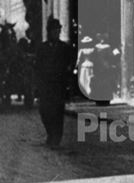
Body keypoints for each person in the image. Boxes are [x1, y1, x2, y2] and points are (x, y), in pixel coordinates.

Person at [35, 17, 72, 148]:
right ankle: (50, 133)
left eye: (58, 31)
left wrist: (67, 85)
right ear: (49, 32)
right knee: (44, 111)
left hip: (58, 86)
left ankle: (56, 138)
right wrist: (38, 85)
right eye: (54, 31)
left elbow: (69, 66)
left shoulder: (64, 48)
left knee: (58, 112)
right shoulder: (42, 48)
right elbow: (37, 67)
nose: (56, 33)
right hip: (45, 86)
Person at [75, 35, 95, 100]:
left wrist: (76, 67)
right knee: (89, 80)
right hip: (91, 65)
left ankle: (87, 93)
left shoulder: (82, 50)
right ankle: (89, 93)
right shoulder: (93, 50)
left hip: (84, 66)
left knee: (84, 80)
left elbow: (78, 60)